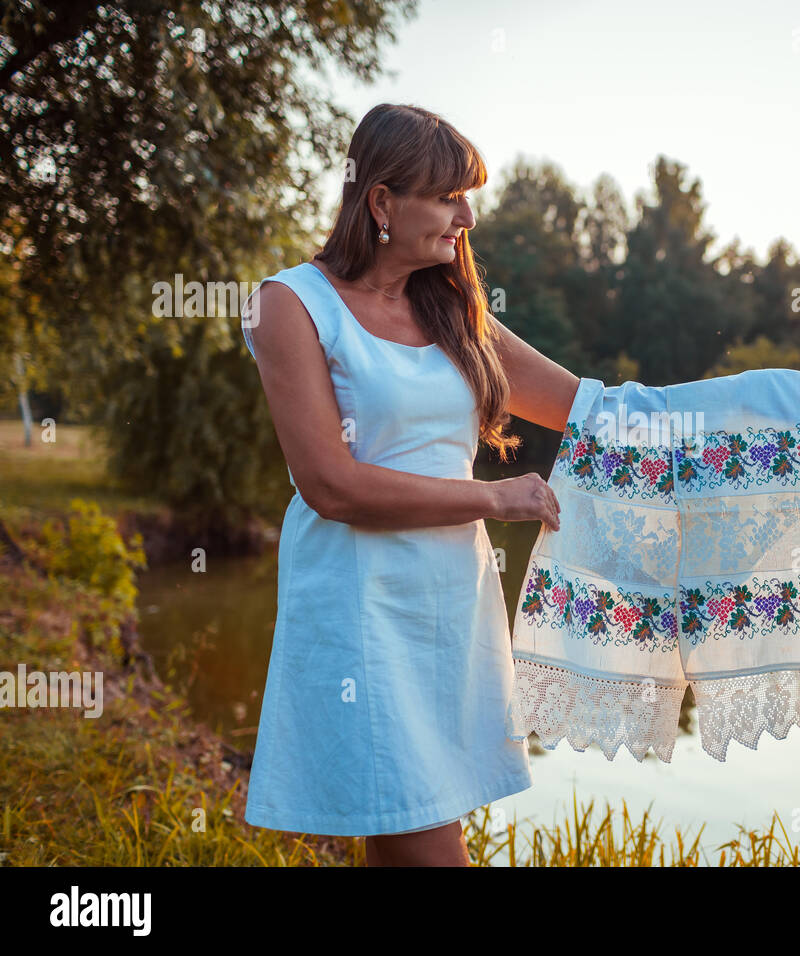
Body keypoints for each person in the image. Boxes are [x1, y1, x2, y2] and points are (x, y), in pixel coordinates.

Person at [240, 103, 578, 866]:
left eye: (468, 195)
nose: (466, 215)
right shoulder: (291, 304)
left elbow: (580, 406)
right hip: (360, 604)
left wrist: (734, 420)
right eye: (449, 195)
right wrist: (496, 497)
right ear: (383, 202)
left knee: (402, 834)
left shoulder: (453, 309)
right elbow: (332, 485)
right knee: (426, 843)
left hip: (451, 602)